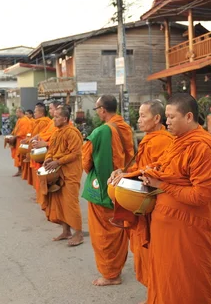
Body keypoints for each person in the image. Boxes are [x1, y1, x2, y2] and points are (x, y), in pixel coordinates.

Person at [135, 93, 211, 304]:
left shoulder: (201, 147)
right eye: (166, 116)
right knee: (166, 277)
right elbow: (160, 168)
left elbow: (200, 196)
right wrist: (129, 174)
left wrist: (162, 185)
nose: (167, 122)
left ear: (189, 116)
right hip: (166, 225)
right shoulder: (177, 142)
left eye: (172, 117)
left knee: (187, 280)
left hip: (188, 228)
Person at [108, 99, 174, 293]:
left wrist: (126, 175)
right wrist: (122, 171)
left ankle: (160, 294)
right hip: (142, 203)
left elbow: (156, 170)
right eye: (139, 115)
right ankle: (154, 294)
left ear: (157, 118)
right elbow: (140, 167)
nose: (139, 120)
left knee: (156, 254)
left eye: (143, 115)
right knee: (146, 255)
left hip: (155, 203)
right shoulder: (149, 138)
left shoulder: (163, 140)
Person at [81, 94, 134, 286]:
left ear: (103, 110)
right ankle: (116, 269)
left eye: (97, 109)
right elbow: (131, 155)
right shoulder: (125, 127)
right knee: (117, 230)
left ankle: (111, 275)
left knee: (103, 233)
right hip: (124, 185)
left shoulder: (101, 131)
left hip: (104, 188)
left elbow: (86, 161)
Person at [41, 106, 84, 246]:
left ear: (65, 119)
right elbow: (51, 150)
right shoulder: (56, 133)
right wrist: (48, 158)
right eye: (54, 116)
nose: (54, 118)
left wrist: (57, 161)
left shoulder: (72, 133)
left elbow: (75, 153)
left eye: (57, 116)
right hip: (57, 171)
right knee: (60, 202)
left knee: (71, 203)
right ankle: (66, 231)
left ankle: (78, 234)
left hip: (70, 172)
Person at [23, 103, 53, 190]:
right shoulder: (37, 122)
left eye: (35, 112)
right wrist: (28, 139)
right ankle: (39, 194)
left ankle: (40, 195)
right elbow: (34, 134)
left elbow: (43, 136)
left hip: (41, 151)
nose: (34, 114)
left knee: (40, 173)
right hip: (35, 148)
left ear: (41, 113)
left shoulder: (44, 122)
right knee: (37, 174)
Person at [9, 108, 32, 177]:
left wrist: (15, 137)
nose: (16, 114)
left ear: (20, 112)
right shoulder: (19, 120)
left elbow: (23, 132)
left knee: (20, 156)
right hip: (18, 140)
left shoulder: (25, 120)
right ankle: (20, 170)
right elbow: (16, 129)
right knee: (18, 156)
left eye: (17, 112)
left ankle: (21, 171)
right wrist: (12, 134)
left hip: (22, 140)